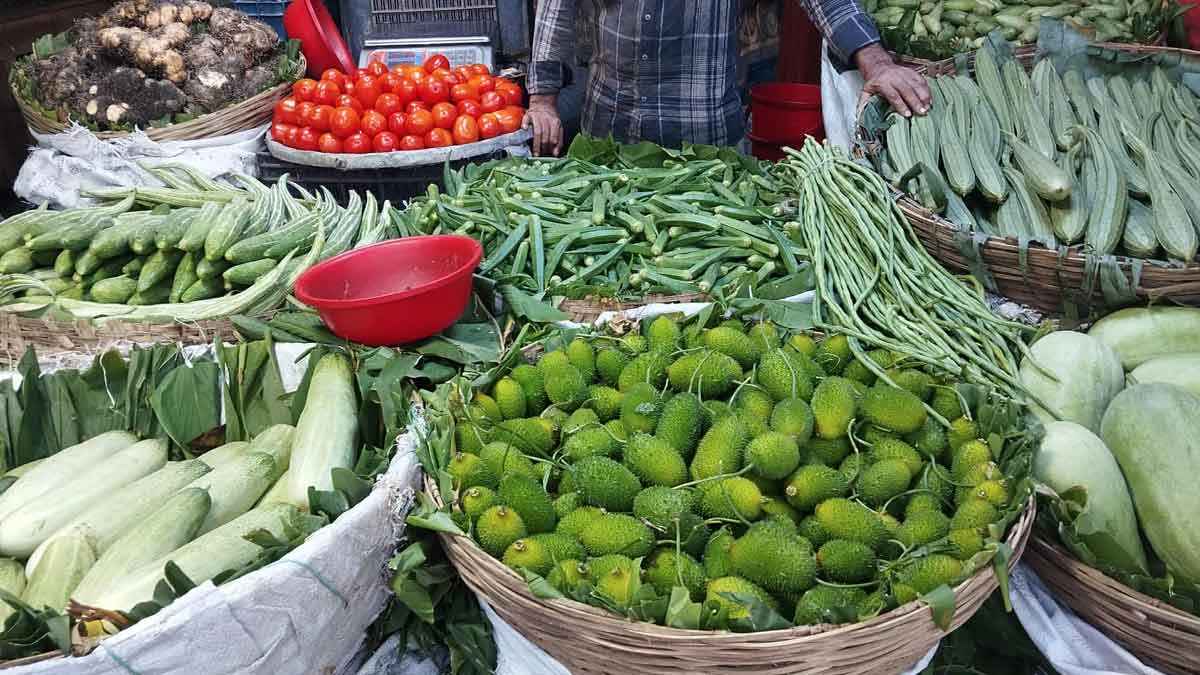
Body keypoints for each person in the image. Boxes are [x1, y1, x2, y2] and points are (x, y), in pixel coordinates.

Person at [523, 0, 931, 156]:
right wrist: (542, 100)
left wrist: (876, 62)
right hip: (612, 134)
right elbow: (556, 10)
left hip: (707, 144)